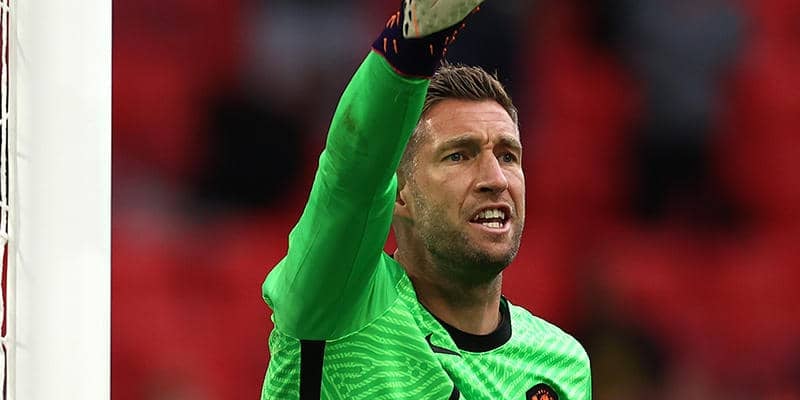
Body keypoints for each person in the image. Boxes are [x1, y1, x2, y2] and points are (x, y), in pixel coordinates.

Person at [261, 1, 592, 398]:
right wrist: (412, 43)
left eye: (508, 156)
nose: (495, 179)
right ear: (400, 192)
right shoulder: (338, 303)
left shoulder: (561, 363)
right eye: (459, 156)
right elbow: (353, 171)